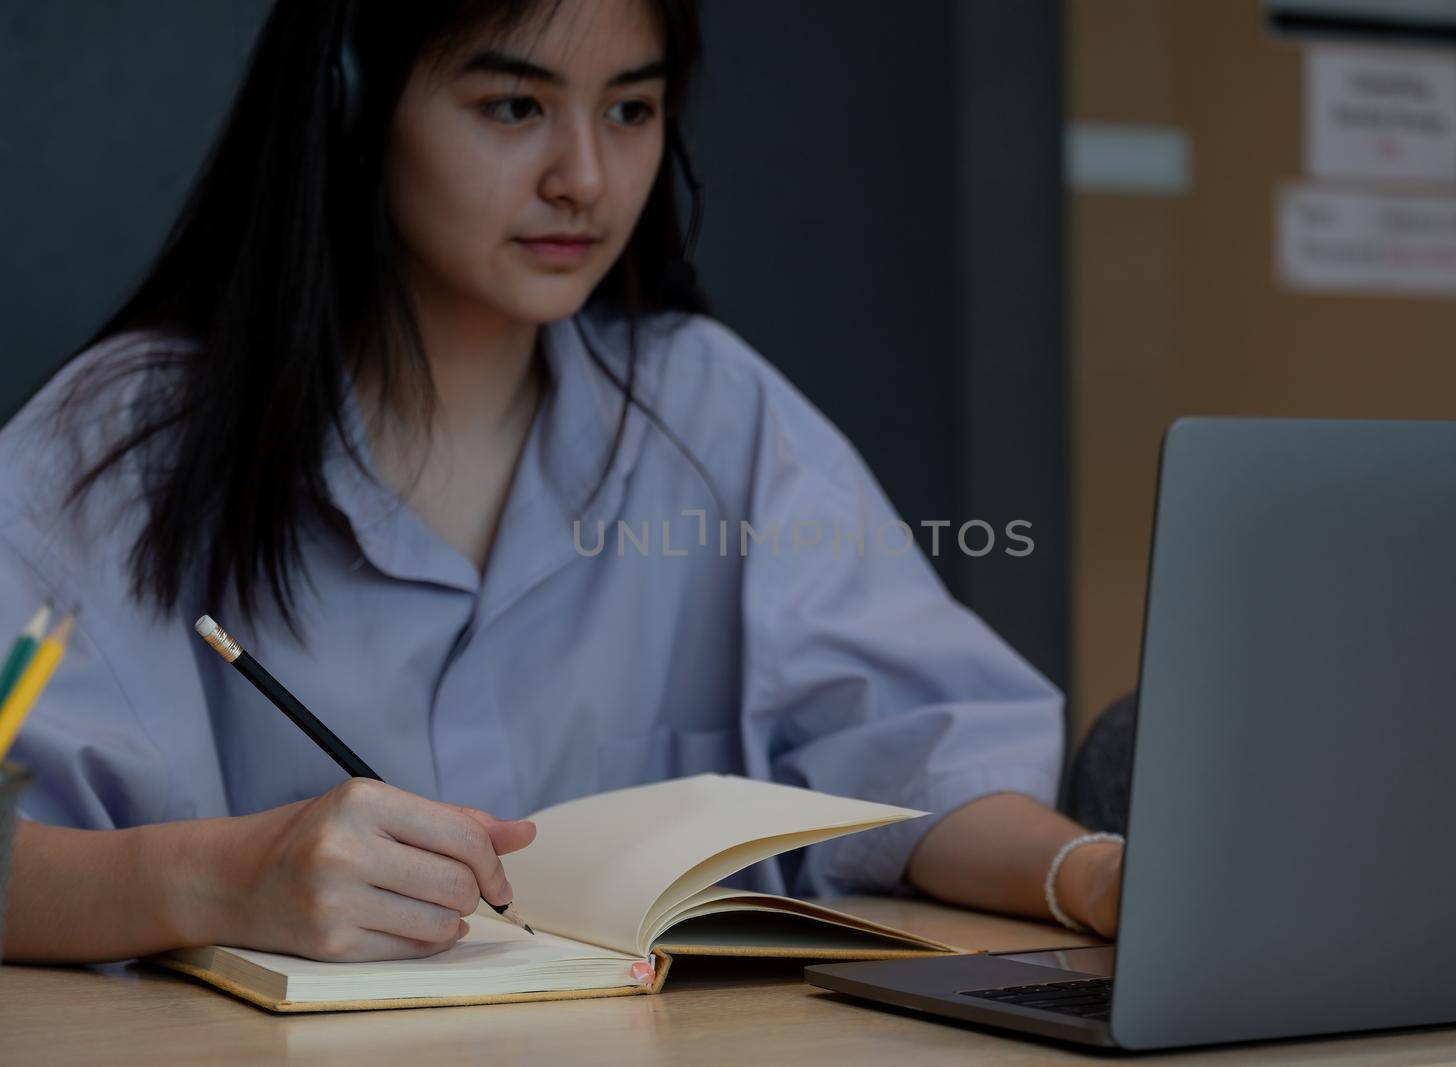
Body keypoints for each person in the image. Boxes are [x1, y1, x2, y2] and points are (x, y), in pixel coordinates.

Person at [0, 0, 1124, 964]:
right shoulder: (127, 440)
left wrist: (1086, 872)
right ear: (351, 104)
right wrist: (216, 879)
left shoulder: (711, 411)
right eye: (514, 107)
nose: (584, 177)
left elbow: (916, 750)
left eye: (631, 109)